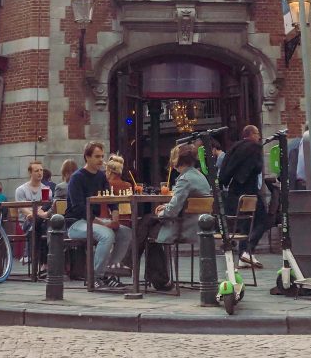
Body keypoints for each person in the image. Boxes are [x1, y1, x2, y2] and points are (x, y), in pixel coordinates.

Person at [135, 143, 212, 289]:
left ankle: (157, 278)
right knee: (147, 224)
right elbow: (183, 203)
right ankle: (151, 275)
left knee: (147, 231)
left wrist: (161, 212)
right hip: (198, 224)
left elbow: (172, 212)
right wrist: (167, 207)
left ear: (177, 160)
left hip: (184, 226)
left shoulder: (184, 179)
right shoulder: (199, 176)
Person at [65, 141, 132, 289]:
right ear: (87, 157)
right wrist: (103, 224)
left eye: (102, 156)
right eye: (97, 157)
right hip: (75, 223)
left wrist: (115, 219)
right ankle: (94, 277)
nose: (101, 160)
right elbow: (79, 209)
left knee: (126, 233)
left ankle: (108, 273)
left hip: (93, 220)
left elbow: (111, 201)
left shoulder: (101, 177)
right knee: (107, 234)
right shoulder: (77, 178)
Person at [219, 124, 264, 269]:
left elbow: (226, 168)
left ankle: (244, 255)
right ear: (251, 134)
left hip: (234, 191)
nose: (259, 137)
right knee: (263, 219)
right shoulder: (254, 147)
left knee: (245, 222)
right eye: (257, 133)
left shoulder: (234, 147)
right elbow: (257, 167)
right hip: (249, 190)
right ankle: (247, 250)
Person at [14, 160, 51, 268]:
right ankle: (44, 264)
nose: (40, 173)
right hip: (26, 221)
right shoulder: (21, 190)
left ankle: (38, 261)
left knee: (44, 227)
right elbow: (22, 208)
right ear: (30, 173)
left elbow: (47, 207)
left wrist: (39, 215)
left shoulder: (46, 190)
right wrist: (35, 214)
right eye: (36, 171)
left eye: (41, 170)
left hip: (40, 220)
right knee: (41, 225)